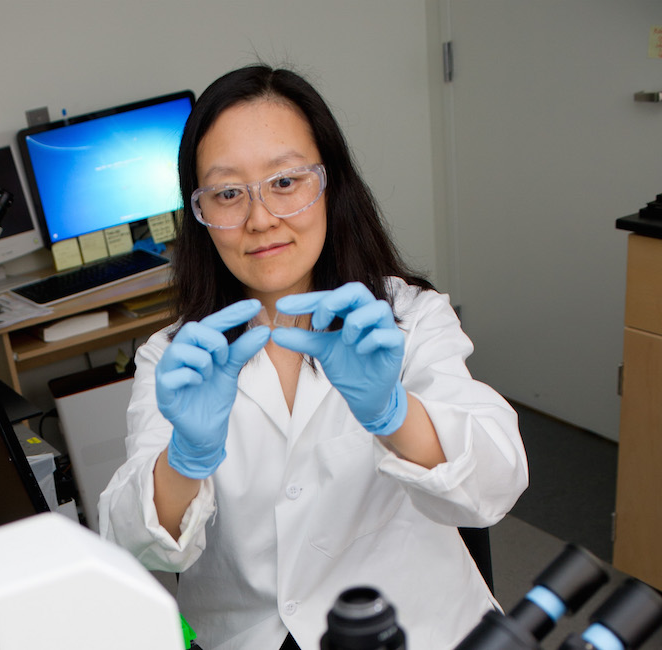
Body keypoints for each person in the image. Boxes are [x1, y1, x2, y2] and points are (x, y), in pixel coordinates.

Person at [98, 64, 528, 650]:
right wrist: (186, 457)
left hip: (417, 629)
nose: (259, 218)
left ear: (329, 184)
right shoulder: (174, 357)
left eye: (285, 182)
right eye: (227, 193)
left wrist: (393, 414)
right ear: (199, 214)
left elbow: (498, 483)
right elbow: (132, 544)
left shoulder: (407, 317)